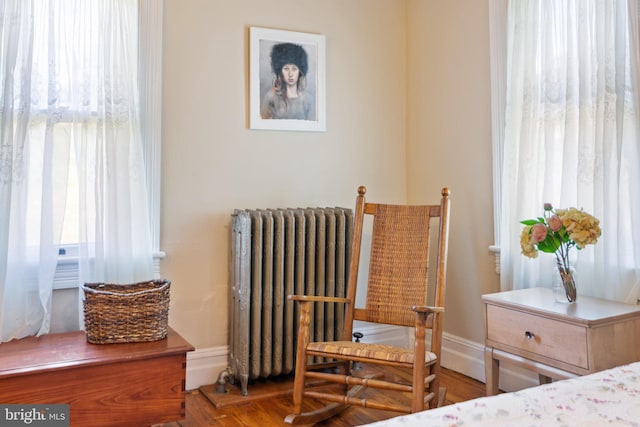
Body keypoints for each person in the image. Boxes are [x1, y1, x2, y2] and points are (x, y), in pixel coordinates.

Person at [261, 42, 314, 120]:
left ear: (300, 72)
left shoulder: (307, 99)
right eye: (286, 69)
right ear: (280, 71)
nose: (290, 74)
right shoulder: (271, 98)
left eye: (294, 69)